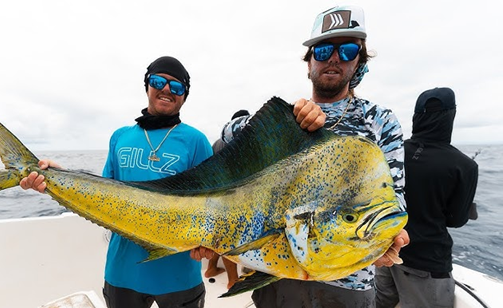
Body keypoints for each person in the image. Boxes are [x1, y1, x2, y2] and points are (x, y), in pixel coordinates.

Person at [20, 56, 325, 307]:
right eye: (158, 82)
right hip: (122, 272)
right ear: (147, 86)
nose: (166, 89)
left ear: (184, 95)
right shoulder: (120, 137)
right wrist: (56, 177)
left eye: (176, 86)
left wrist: (211, 248)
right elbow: (107, 192)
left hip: (180, 275)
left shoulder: (195, 141)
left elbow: (217, 208)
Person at [202, 5, 409, 308]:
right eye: (323, 50)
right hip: (277, 273)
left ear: (359, 63)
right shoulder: (290, 122)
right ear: (309, 62)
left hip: (349, 284)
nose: (334, 58)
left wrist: (392, 237)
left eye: (348, 50)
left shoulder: (379, 121)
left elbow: (397, 199)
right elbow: (228, 133)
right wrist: (286, 120)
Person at [375, 87, 479, 308]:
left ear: (416, 116)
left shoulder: (393, 154)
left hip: (386, 253)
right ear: (451, 116)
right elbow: (457, 220)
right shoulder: (465, 166)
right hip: (427, 264)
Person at [205, 109, 250, 289]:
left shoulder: (216, 143)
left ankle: (211, 269)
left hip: (213, 197)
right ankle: (233, 281)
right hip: (231, 200)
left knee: (218, 237)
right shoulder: (240, 143)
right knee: (229, 240)